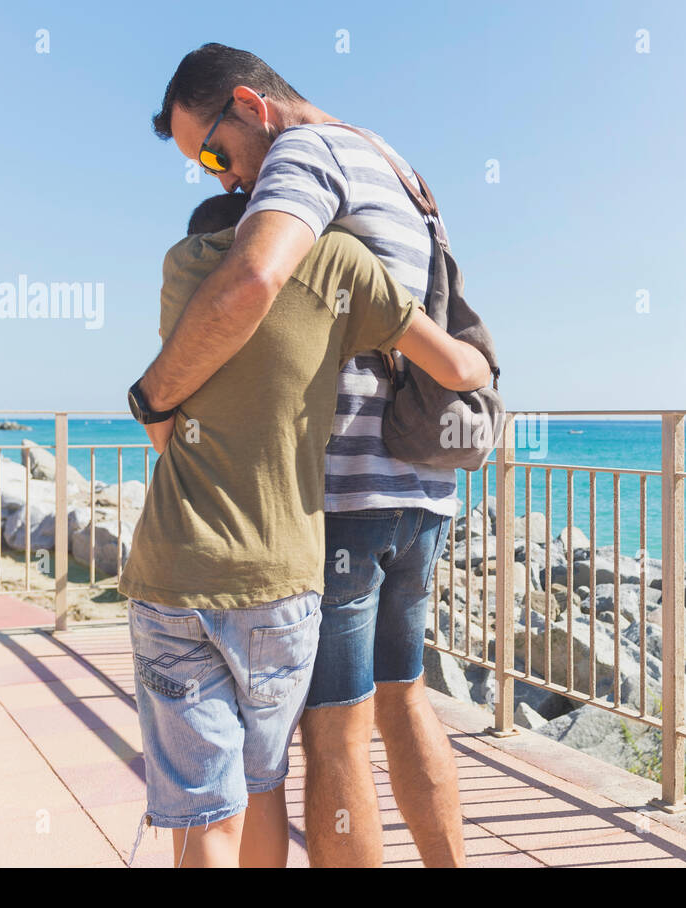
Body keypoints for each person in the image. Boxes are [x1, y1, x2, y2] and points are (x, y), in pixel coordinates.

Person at [139, 43, 475, 866]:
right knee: (404, 698)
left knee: (334, 736)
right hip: (420, 487)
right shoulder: (386, 157)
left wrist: (154, 397)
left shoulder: (303, 155)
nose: (222, 179)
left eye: (215, 152)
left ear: (252, 107)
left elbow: (254, 279)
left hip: (344, 501)